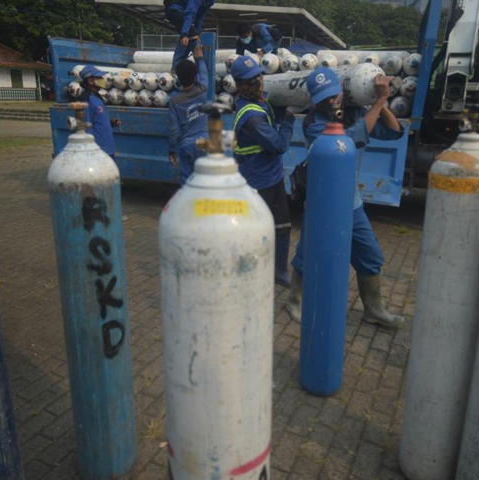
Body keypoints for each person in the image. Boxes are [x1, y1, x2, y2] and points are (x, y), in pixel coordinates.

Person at [287, 66, 403, 328]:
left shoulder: (355, 112)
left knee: (370, 256)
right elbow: (349, 142)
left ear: (342, 90)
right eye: (324, 98)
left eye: (334, 94)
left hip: (352, 202)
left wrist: (377, 102)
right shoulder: (313, 123)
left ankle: (373, 309)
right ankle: (295, 300)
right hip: (321, 203)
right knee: (307, 255)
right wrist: (381, 100)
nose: (331, 101)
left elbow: (394, 131)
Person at [230, 56, 294, 287]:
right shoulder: (251, 116)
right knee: (265, 229)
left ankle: (276, 271)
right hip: (259, 181)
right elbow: (277, 145)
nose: (258, 82)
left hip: (268, 177)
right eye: (251, 80)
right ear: (240, 84)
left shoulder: (257, 102)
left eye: (259, 76)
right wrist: (288, 121)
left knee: (280, 227)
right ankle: (255, 272)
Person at [168, 45, 209, 185]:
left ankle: (188, 205)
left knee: (187, 183)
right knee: (205, 180)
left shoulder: (174, 101)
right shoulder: (202, 89)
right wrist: (200, 58)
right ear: (194, 76)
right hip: (204, 143)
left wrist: (172, 149)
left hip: (186, 146)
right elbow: (204, 73)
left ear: (178, 78)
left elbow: (174, 130)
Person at [79, 65, 122, 159]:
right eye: (99, 77)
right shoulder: (86, 100)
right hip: (98, 152)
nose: (102, 79)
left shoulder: (97, 97)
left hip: (107, 149)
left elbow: (97, 119)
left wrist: (110, 123)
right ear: (90, 81)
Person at [164, 0, 215, 71]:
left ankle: (176, 69)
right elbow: (190, 12)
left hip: (182, 11)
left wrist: (198, 32)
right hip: (174, 9)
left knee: (190, 38)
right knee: (193, 38)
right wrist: (185, 34)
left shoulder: (210, 1)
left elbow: (200, 15)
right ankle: (202, 71)